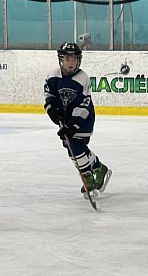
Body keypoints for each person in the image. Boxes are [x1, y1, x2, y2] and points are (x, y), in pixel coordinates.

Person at [44, 42, 111, 197]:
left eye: (74, 59)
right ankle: (99, 168)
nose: (71, 63)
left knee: (75, 146)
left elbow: (83, 106)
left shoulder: (82, 78)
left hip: (84, 119)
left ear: (78, 61)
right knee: (71, 148)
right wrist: (52, 111)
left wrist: (72, 125)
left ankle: (88, 179)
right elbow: (49, 96)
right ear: (61, 59)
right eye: (67, 59)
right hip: (66, 117)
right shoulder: (52, 76)